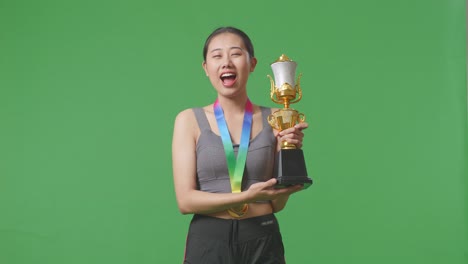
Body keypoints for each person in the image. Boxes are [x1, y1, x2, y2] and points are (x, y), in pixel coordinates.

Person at [172, 26, 308, 264]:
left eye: (235, 54)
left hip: (262, 235)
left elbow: (276, 203)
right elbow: (185, 201)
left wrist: (290, 152)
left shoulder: (277, 117)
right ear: (206, 68)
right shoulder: (189, 120)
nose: (226, 62)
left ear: (252, 63)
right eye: (216, 56)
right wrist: (246, 196)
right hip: (208, 239)